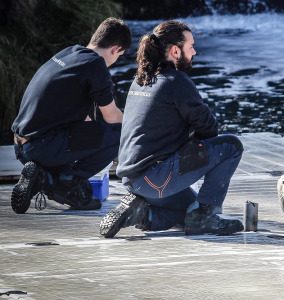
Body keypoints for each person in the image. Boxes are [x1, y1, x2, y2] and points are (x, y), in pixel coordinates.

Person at [99, 21, 244, 238]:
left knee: (188, 212)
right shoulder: (177, 82)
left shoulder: (139, 80)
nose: (194, 51)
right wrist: (191, 142)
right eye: (190, 46)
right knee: (231, 146)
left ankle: (141, 214)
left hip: (132, 181)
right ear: (175, 51)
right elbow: (210, 130)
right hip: (155, 178)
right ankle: (204, 217)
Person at [11, 18, 131, 214]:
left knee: (85, 190)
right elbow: (113, 119)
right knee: (121, 134)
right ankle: (66, 184)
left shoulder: (69, 52)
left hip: (22, 145)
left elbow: (82, 121)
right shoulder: (96, 65)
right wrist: (137, 126)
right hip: (43, 146)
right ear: (116, 49)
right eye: (119, 56)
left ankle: (42, 178)